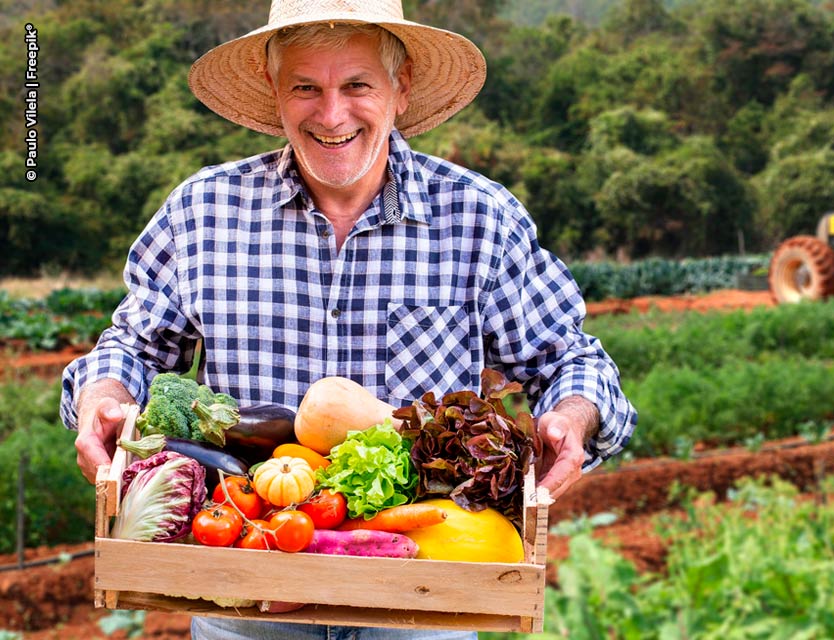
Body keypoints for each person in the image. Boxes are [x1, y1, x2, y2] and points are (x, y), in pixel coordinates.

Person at [60, 1, 636, 638]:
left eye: (357, 85)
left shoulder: (479, 219)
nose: (332, 114)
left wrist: (573, 417)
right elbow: (132, 350)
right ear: (276, 94)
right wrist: (104, 397)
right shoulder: (203, 212)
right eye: (306, 87)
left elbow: (570, 360)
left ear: (401, 90)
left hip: (425, 599)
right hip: (247, 599)